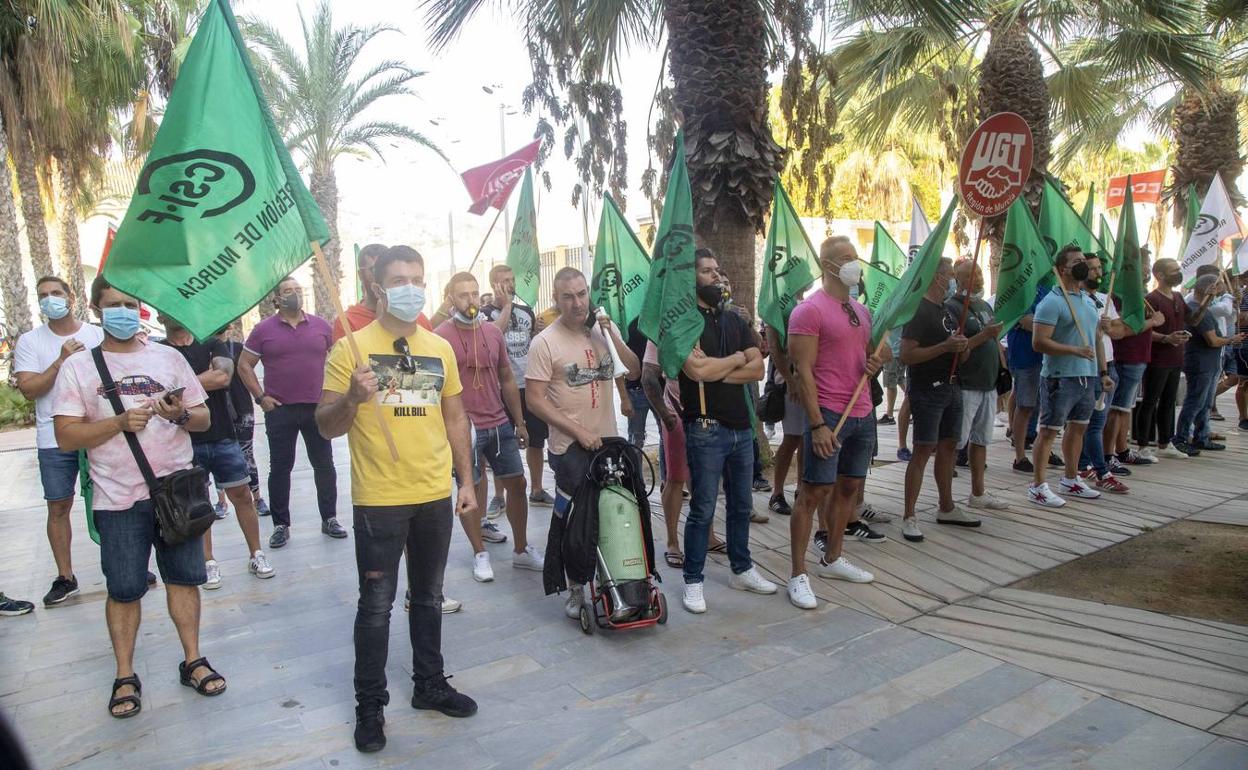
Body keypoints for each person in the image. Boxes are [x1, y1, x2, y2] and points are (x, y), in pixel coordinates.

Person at [315, 245, 479, 754]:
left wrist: (466, 482)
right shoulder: (351, 348)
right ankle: (370, 706)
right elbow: (325, 426)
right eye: (399, 279)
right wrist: (352, 399)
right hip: (380, 501)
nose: (410, 287)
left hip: (433, 494)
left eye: (417, 277)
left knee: (428, 597)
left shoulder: (439, 347)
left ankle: (429, 685)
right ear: (379, 287)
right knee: (377, 606)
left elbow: (455, 418)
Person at [52, 276, 224, 719]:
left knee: (185, 580)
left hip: (177, 492)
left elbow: (203, 418)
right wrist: (117, 423)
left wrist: (180, 414)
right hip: (118, 499)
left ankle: (193, 660)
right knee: (125, 589)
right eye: (114, 305)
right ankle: (125, 674)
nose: (123, 312)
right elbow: (66, 436)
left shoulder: (168, 359)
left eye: (130, 303)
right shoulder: (79, 367)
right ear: (96, 309)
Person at [524, 267, 639, 619]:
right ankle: (574, 587)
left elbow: (632, 371)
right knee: (577, 516)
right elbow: (535, 400)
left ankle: (622, 579)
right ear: (556, 301)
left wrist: (611, 335)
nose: (577, 303)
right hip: (568, 447)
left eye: (581, 294)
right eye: (568, 297)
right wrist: (576, 431)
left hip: (608, 440)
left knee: (618, 509)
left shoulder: (605, 330)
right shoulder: (544, 343)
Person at [669, 250, 775, 613]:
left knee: (742, 504)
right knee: (702, 508)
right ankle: (693, 580)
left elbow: (758, 368)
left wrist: (716, 368)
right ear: (692, 278)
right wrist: (733, 362)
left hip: (741, 428)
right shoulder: (685, 322)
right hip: (705, 428)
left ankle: (741, 568)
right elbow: (695, 372)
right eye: (706, 271)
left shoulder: (733, 320)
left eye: (717, 270)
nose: (715, 277)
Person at [784, 236, 885, 611]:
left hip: (862, 411)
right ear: (827, 266)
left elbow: (872, 352)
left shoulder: (860, 309)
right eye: (845, 259)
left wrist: (876, 359)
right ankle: (797, 575)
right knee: (811, 494)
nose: (854, 265)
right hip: (828, 414)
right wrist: (816, 425)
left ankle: (833, 557)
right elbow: (803, 373)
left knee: (850, 489)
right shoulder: (808, 312)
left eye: (855, 258)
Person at [435, 272, 543, 582]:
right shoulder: (440, 336)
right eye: (463, 294)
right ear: (450, 298)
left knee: (518, 483)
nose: (470, 300)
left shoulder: (493, 333)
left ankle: (521, 549)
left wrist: (519, 421)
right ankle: (479, 553)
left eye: (474, 293)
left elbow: (507, 378)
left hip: (498, 422)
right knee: (470, 491)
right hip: (464, 427)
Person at [158, 314, 274, 587]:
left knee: (242, 495)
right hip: (183, 439)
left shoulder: (211, 343)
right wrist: (202, 379)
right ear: (160, 315)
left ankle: (256, 553)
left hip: (223, 434)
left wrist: (178, 389)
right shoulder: (159, 351)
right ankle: (208, 561)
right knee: (198, 502)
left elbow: (223, 376)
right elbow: (161, 394)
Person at [14, 276, 104, 606]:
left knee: (110, 500)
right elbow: (29, 389)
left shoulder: (95, 334)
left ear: (70, 297)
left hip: (97, 432)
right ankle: (65, 577)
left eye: (55, 293)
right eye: (43, 296)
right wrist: (61, 359)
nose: (49, 299)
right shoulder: (30, 342)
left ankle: (119, 564)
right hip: (54, 439)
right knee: (58, 505)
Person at [237, 277, 344, 548]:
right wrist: (261, 398)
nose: (294, 294)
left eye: (298, 289)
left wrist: (334, 396)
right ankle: (281, 525)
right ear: (277, 299)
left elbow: (338, 360)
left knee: (324, 464)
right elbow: (244, 365)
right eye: (288, 291)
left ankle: (329, 518)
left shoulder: (321, 326)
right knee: (280, 468)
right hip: (280, 410)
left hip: (317, 408)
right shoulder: (263, 330)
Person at [897, 257, 980, 540]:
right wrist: (945, 346)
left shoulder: (947, 311)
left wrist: (963, 347)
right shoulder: (918, 310)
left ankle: (947, 506)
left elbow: (960, 351)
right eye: (949, 275)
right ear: (937, 276)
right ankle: (909, 514)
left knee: (949, 447)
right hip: (926, 388)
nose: (953, 280)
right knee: (923, 449)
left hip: (952, 386)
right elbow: (907, 355)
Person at [1027, 246, 1114, 507]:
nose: (1084, 266)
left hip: (1087, 377)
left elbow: (1095, 340)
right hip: (1059, 377)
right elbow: (1039, 342)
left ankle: (1071, 478)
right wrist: (1073, 350)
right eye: (1077, 262)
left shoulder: (1088, 300)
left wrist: (1103, 373)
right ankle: (1038, 486)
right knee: (1049, 431)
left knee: (1078, 429)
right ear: (1062, 269)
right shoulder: (1052, 302)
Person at [480, 265, 556, 509]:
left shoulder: (526, 311)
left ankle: (537, 489)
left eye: (512, 280)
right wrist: (506, 306)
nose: (510, 285)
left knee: (536, 439)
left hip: (528, 382)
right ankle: (499, 496)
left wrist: (537, 332)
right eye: (504, 281)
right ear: (493, 284)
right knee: (502, 444)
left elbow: (532, 342)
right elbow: (492, 336)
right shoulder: (483, 314)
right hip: (501, 387)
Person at [948, 260, 1007, 510]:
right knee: (955, 441)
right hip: (967, 383)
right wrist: (983, 336)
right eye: (970, 275)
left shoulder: (983, 305)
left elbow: (995, 343)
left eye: (980, 273)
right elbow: (956, 347)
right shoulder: (951, 307)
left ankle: (978, 492)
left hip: (988, 382)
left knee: (981, 439)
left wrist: (1003, 371)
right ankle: (946, 498)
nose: (978, 278)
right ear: (957, 280)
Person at [1076, 254, 1132, 493]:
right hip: (1088, 369)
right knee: (1091, 423)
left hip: (1108, 365)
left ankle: (1083, 464)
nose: (1098, 273)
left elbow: (1120, 331)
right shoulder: (1077, 301)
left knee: (1095, 422)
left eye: (1100, 268)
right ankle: (1101, 470)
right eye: (1092, 269)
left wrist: (1111, 327)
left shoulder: (1103, 299)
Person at [1174, 274, 1244, 454]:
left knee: (1205, 403)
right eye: (1219, 285)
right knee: (1195, 402)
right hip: (1201, 363)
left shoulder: (1203, 308)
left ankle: (1201, 436)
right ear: (1209, 288)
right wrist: (1231, 339)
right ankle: (1181, 438)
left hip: (1208, 362)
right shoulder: (1197, 310)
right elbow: (1212, 340)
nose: (1222, 289)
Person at [641, 337, 691, 568]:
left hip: (709, 414)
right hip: (676, 411)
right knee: (675, 479)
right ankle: (672, 541)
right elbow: (648, 376)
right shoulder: (664, 325)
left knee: (704, 480)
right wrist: (666, 416)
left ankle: (708, 535)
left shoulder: (713, 316)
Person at [1136, 258, 1191, 459]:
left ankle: (1165, 442)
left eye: (1178, 269)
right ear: (1159, 275)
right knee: (1150, 401)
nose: (1178, 272)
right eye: (1173, 270)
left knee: (1169, 402)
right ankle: (1143, 445)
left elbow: (1193, 319)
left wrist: (1207, 298)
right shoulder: (1152, 299)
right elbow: (1141, 330)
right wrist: (1166, 338)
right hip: (1157, 358)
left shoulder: (1178, 297)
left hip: (1176, 358)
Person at [214, 320, 269, 517]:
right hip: (216, 411)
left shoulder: (238, 349)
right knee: (216, 455)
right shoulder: (204, 350)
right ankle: (221, 502)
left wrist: (260, 396)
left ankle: (257, 498)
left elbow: (249, 370)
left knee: (247, 454)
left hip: (242, 408)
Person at [333, 243, 433, 342]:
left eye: (416, 280)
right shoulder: (348, 322)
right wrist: (381, 323)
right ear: (360, 275)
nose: (379, 275)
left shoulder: (419, 319)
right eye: (374, 270)